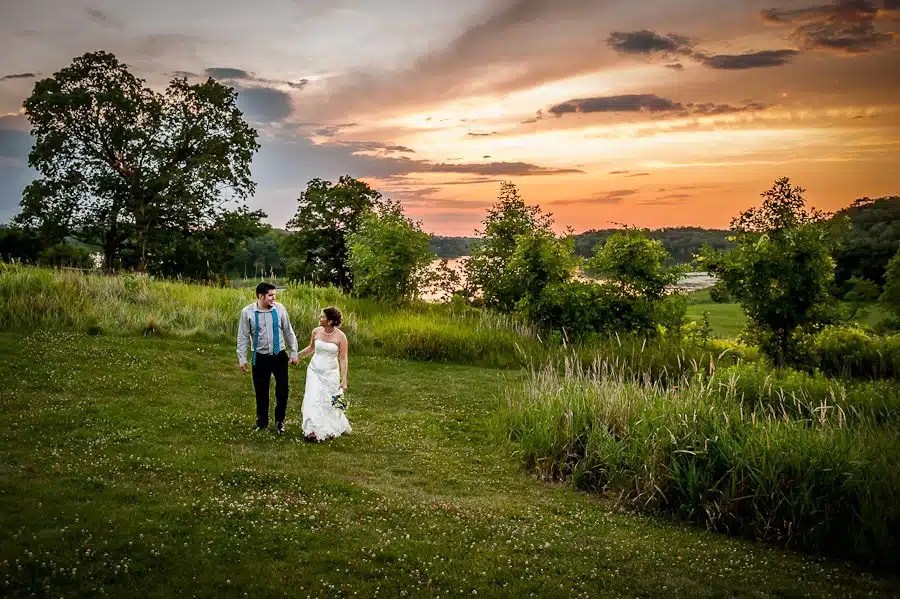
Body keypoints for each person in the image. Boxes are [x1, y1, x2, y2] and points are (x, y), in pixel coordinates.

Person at [237, 282, 299, 434]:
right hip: (260, 357)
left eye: (274, 295)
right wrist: (242, 358)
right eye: (270, 295)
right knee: (261, 391)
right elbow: (243, 336)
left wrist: (293, 352)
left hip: (279, 356)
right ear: (260, 296)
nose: (273, 298)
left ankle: (280, 422)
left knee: (283, 390)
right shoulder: (247, 313)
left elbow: (288, 331)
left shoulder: (280, 309)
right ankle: (262, 422)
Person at [297, 306, 351, 442]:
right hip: (314, 370)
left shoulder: (341, 336)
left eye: (322, 317)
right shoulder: (316, 331)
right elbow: (311, 348)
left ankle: (331, 424)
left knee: (329, 401)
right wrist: (297, 356)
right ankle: (312, 429)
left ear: (331, 321)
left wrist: (344, 379)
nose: (320, 318)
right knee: (313, 398)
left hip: (331, 373)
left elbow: (343, 358)